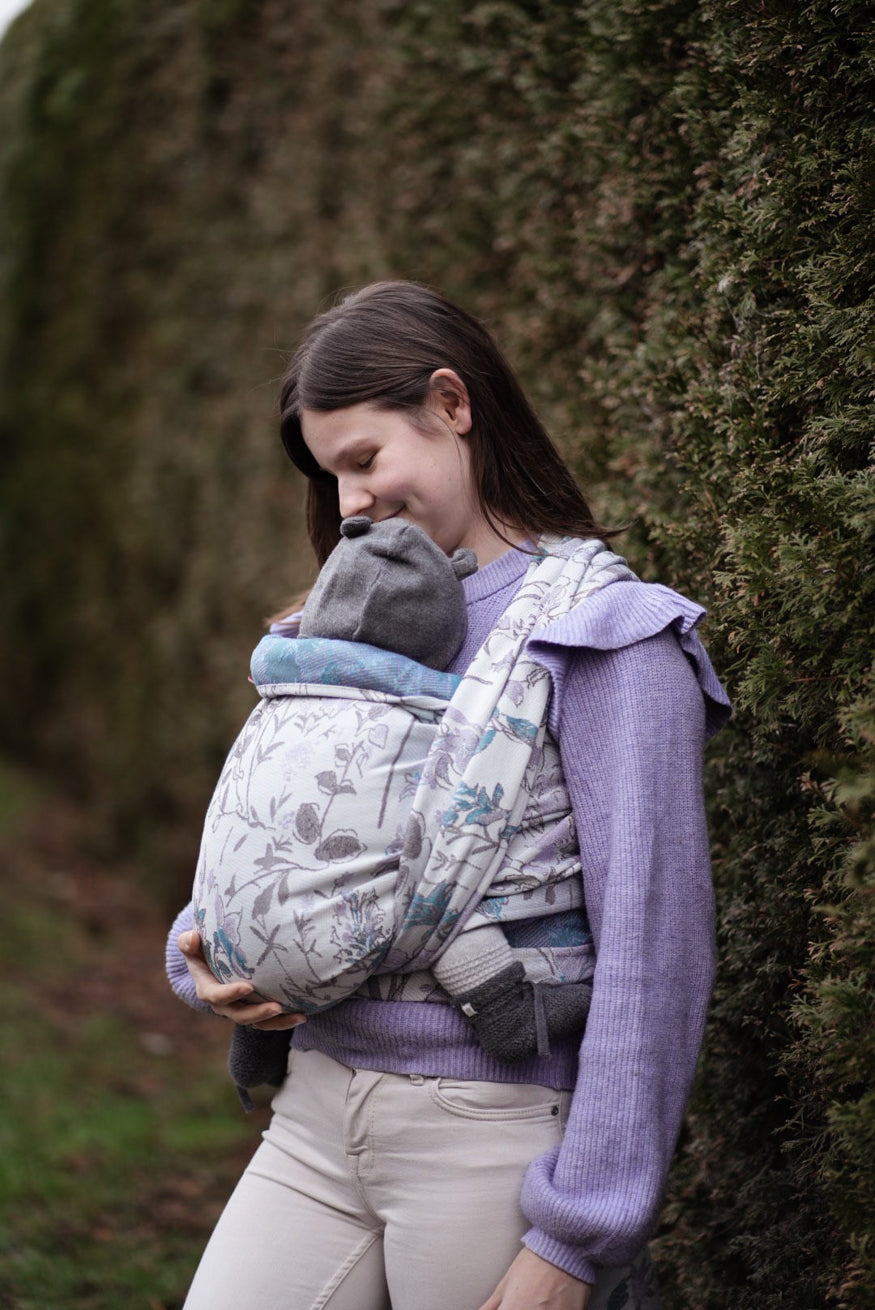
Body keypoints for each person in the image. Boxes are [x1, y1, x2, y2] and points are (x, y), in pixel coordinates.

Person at [166, 280, 730, 1310]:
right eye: (328, 472)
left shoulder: (605, 634)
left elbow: (656, 952)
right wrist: (208, 945)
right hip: (315, 1113)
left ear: (450, 402)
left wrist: (575, 1234)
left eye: (362, 458)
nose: (346, 503)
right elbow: (283, 828)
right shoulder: (337, 621)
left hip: (488, 1136)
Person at [193, 510, 597, 1101]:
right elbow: (490, 727)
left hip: (228, 937)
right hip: (344, 954)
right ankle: (508, 1012)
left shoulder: (278, 682)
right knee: (436, 882)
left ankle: (256, 1051)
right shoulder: (444, 704)